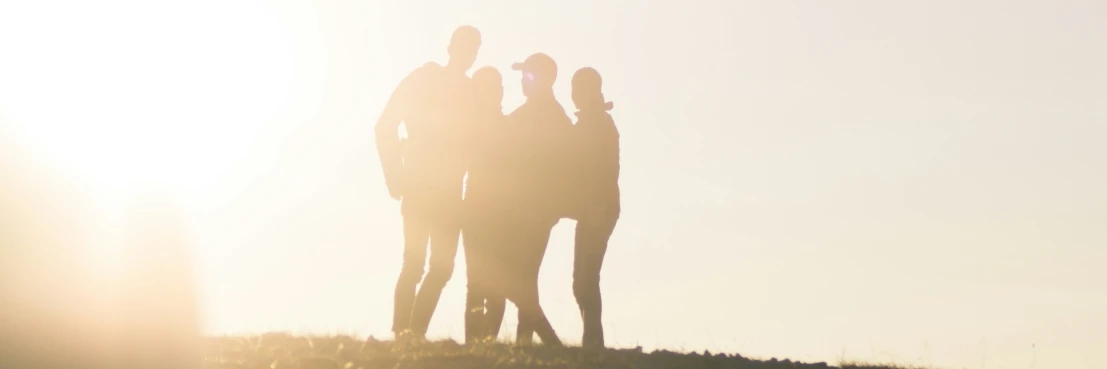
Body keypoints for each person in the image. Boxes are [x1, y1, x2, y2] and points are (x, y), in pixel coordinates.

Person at [374, 25, 480, 340]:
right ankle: (404, 334)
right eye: (464, 46)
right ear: (450, 47)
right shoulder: (424, 78)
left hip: (447, 190)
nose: (468, 54)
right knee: (416, 262)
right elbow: (385, 124)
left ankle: (412, 333)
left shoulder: (471, 92)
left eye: (473, 48)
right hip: (421, 186)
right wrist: (395, 175)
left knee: (439, 267)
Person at [503, 52, 574, 346]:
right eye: (523, 74)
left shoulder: (551, 117)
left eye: (529, 75)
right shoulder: (529, 113)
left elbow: (564, 167)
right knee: (523, 280)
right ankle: (524, 345)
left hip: (534, 212)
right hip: (524, 209)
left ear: (546, 79)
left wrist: (546, 209)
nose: (523, 80)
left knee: (516, 279)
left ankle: (548, 342)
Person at [568, 67, 620, 349]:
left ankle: (593, 346)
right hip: (590, 209)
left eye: (579, 88)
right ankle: (593, 343)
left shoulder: (599, 123)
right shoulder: (590, 121)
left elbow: (606, 169)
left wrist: (597, 206)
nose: (574, 94)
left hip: (599, 208)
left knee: (586, 279)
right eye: (573, 88)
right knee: (582, 281)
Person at [459, 66, 509, 344]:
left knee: (487, 285)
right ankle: (478, 345)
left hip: (493, 211)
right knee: (480, 284)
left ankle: (482, 344)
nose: (494, 92)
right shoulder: (473, 126)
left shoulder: (505, 126)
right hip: (481, 210)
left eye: (496, 87)